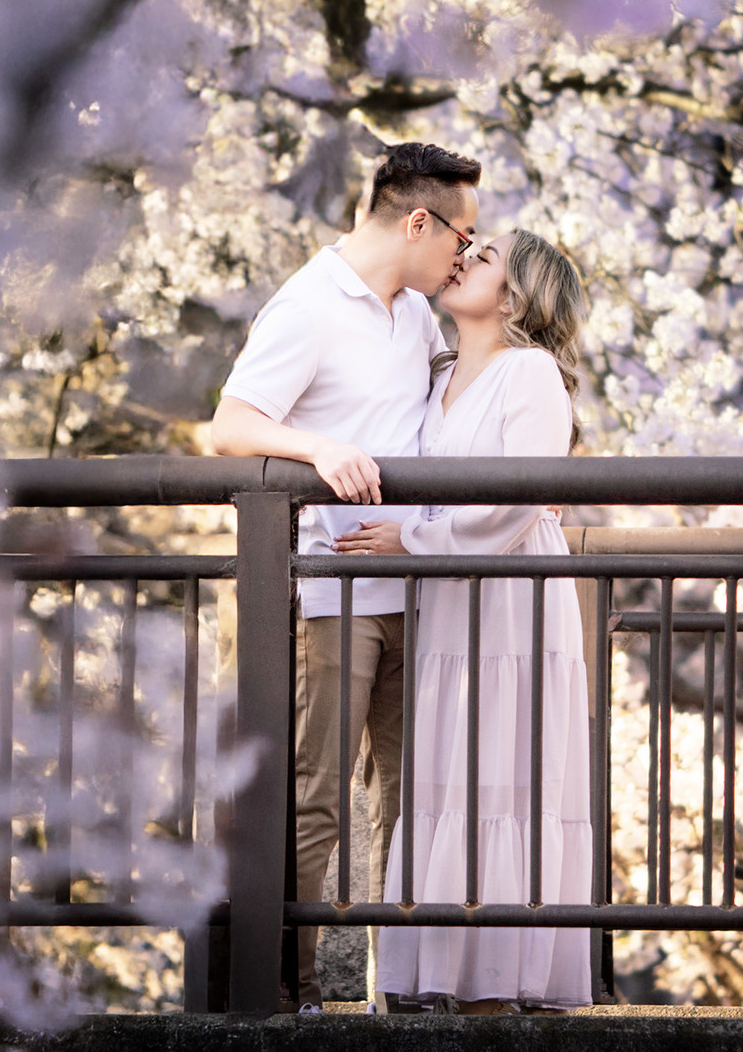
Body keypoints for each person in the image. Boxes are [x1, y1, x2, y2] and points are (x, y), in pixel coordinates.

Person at [207, 140, 482, 1012]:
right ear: (416, 220)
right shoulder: (309, 303)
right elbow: (231, 424)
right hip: (333, 593)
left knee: (408, 796)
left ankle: (397, 988)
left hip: (415, 586)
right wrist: (317, 446)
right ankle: (284, 988)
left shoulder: (416, 314)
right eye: (459, 236)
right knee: (317, 795)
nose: (465, 254)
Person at [336, 229, 594, 1014]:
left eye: (484, 257)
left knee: (505, 769)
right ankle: (441, 975)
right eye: (468, 245)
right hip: (451, 598)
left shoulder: (532, 371)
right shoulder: (441, 373)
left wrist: (412, 538)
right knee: (451, 768)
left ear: (515, 297)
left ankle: (500, 985)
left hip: (511, 600)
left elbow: (518, 499)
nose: (465, 257)